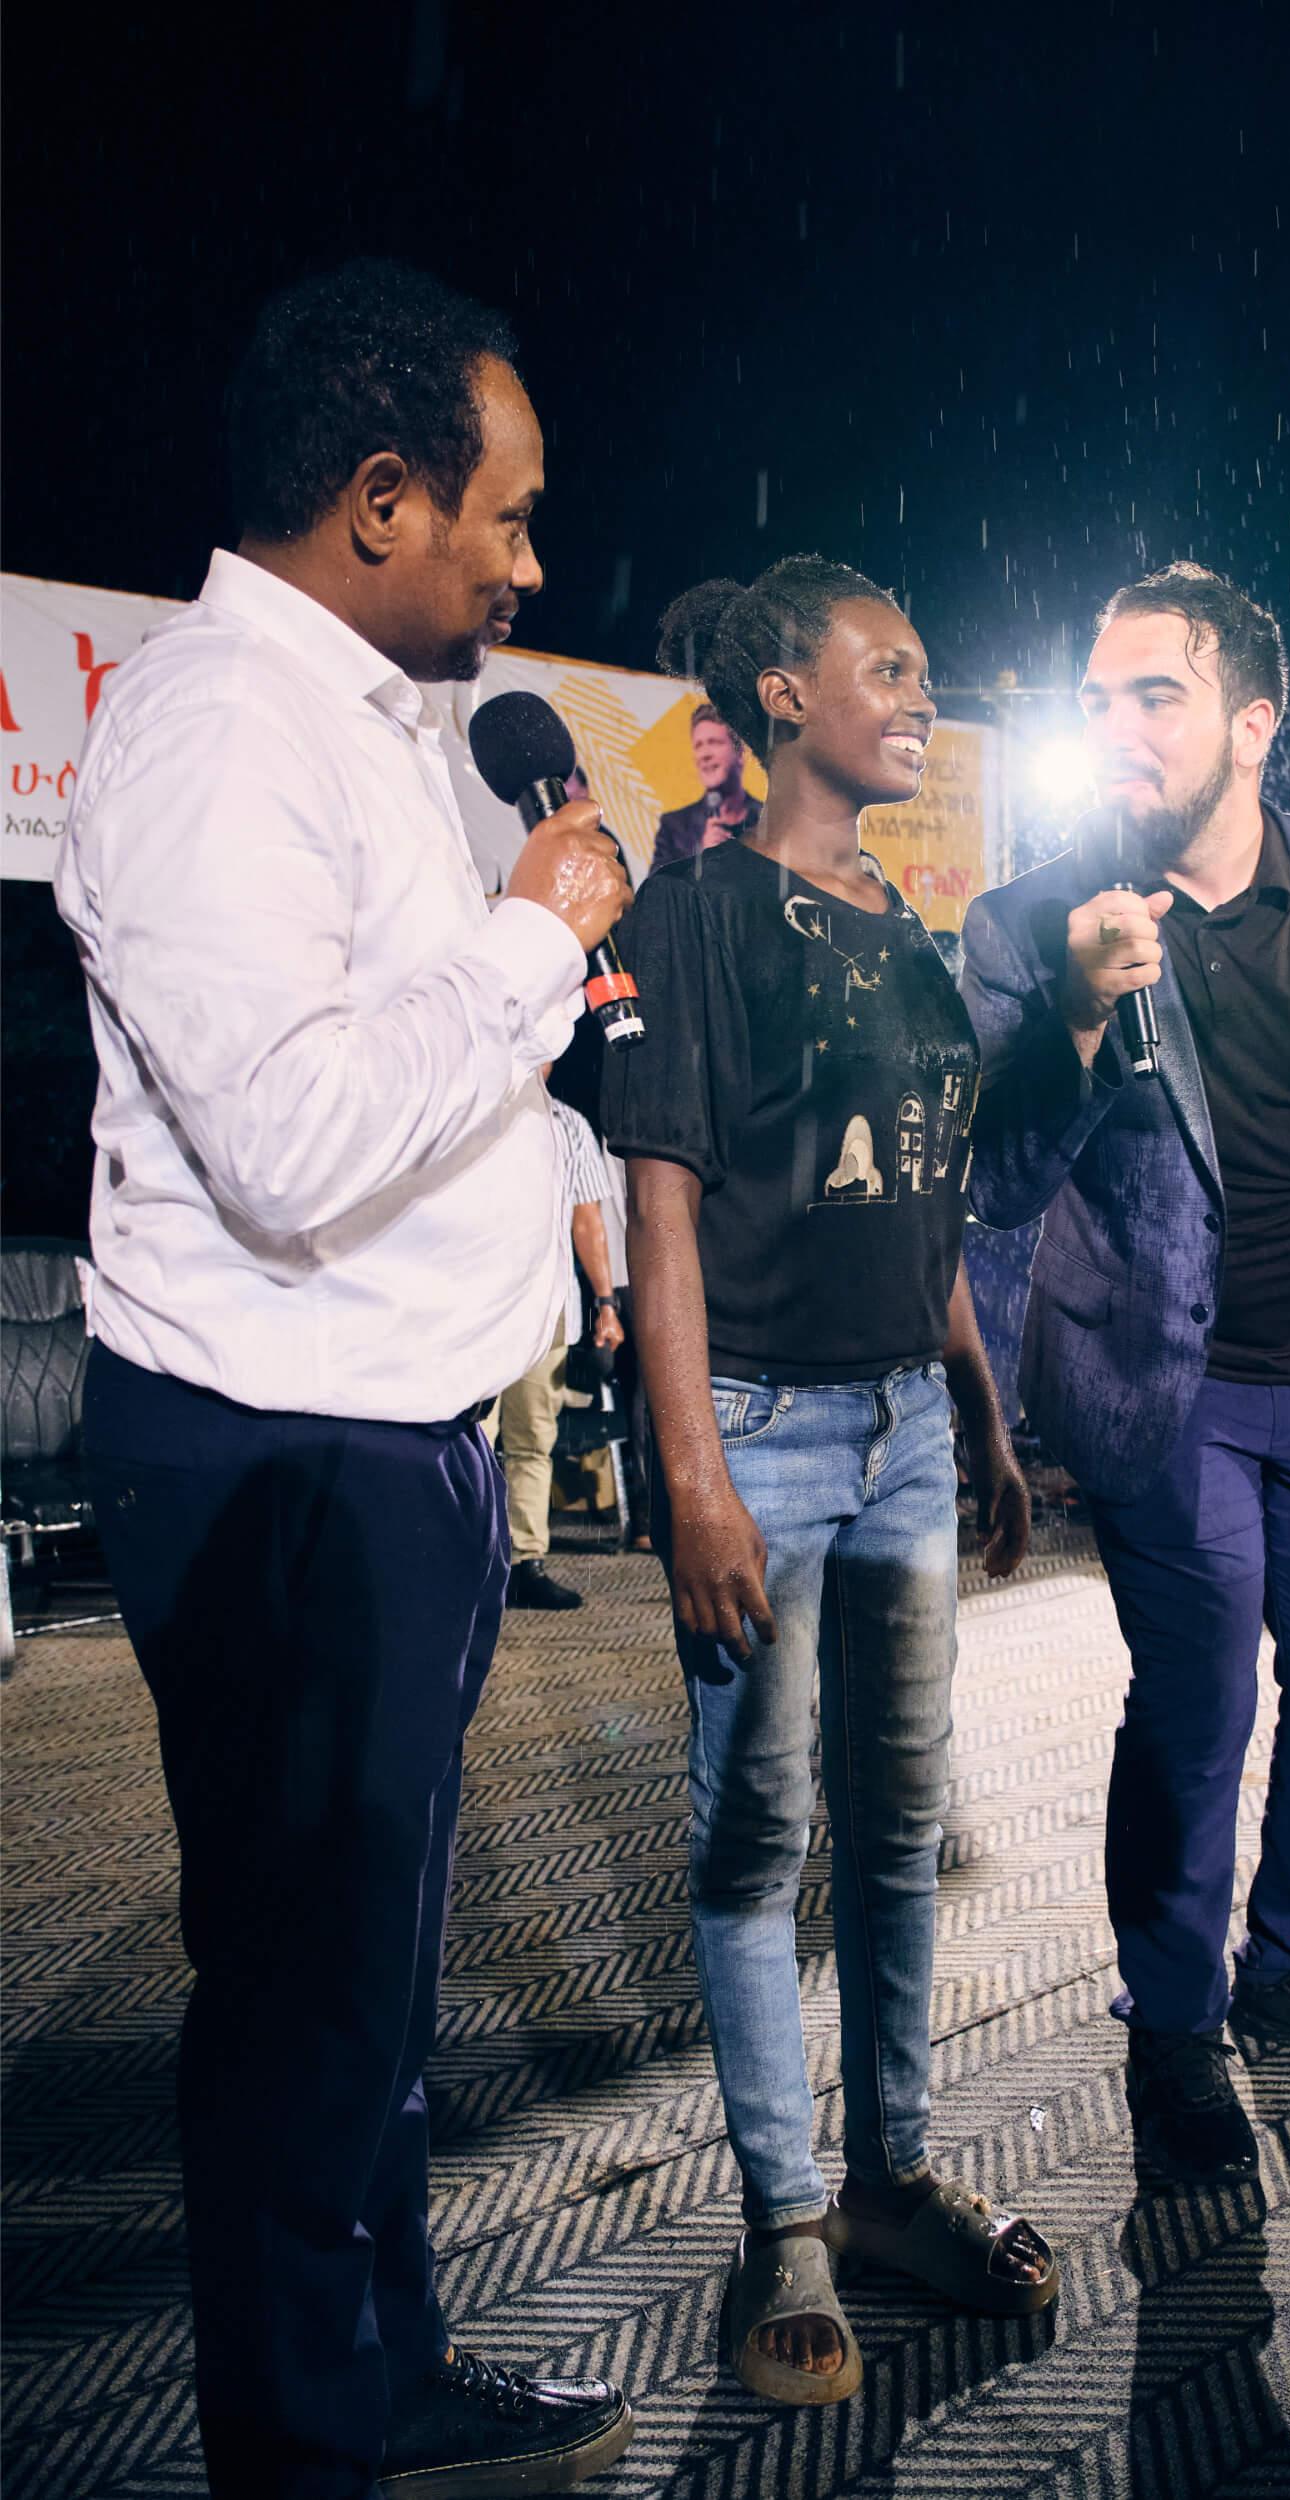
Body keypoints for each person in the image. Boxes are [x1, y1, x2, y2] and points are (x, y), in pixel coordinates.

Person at [53, 260, 635, 2499]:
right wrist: (527, 938)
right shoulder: (219, 728)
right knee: (302, 1999)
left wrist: (536, 1053)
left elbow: (416, 1079)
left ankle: (380, 2374)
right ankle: (300, 2448)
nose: (530, 564)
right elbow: (292, 1140)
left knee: (364, 1982)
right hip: (283, 1458)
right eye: (509, 513)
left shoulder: (362, 725)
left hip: (388, 1441)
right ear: (381, 498)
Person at [601, 556, 1058, 2407]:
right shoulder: (693, 913)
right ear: (783, 695)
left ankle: (888, 2184)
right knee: (755, 1834)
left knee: (895, 1824)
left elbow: (920, 1199)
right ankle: (783, 2221)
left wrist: (981, 1411)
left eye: (925, 672)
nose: (920, 699)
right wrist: (694, 1479)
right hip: (763, 1433)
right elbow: (659, 1211)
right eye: (888, 668)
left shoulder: (909, 931)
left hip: (907, 1435)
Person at [960, 562, 1290, 2188]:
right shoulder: (1029, 921)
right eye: (1095, 699)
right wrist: (1076, 1015)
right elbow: (997, 1176)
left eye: (1154, 695)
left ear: (1251, 723)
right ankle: (1173, 2019)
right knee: (1195, 1709)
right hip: (1160, 1390)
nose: (1115, 725)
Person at [492, 1097, 626, 1609]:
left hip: (546, 1309)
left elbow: (586, 1220)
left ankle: (525, 1561)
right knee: (470, 1441)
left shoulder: (569, 1125)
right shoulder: (475, 1103)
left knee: (532, 1439)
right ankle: (467, 1558)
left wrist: (606, 1303)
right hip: (475, 1311)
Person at [648, 699, 761, 871]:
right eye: (698, 746)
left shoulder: (767, 821)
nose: (704, 755)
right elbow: (657, 887)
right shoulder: (675, 827)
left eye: (714, 742)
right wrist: (699, 858)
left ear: (739, 753)